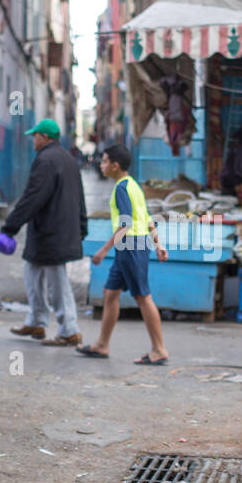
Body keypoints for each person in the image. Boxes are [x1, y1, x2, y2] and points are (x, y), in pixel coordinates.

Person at [77, 144, 170, 364]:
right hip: (130, 247)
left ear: (115, 165)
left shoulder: (122, 188)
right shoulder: (133, 185)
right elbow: (147, 218)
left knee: (143, 297)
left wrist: (103, 250)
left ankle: (159, 349)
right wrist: (158, 245)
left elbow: (126, 224)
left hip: (131, 246)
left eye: (104, 161)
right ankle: (102, 344)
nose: (101, 165)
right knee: (110, 293)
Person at [0, 118, 88, 346]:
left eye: (35, 136)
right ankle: (37, 320)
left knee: (57, 281)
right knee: (31, 272)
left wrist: (10, 226)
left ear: (45, 137)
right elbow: (81, 196)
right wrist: (82, 226)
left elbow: (33, 197)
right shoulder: (68, 158)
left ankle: (69, 329)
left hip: (52, 232)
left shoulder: (46, 160)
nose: (32, 140)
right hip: (56, 230)